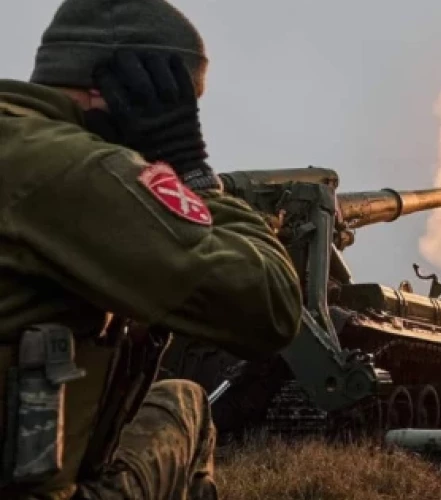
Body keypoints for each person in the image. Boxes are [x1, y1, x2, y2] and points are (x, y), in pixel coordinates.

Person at [0, 0, 303, 498]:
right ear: (123, 88)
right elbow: (270, 307)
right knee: (185, 406)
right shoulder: (78, 169)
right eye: (173, 103)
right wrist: (189, 169)